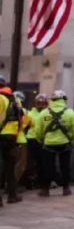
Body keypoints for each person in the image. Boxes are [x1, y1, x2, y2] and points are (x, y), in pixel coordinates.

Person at [32, 90, 74, 197]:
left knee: (47, 167)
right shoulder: (70, 113)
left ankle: (45, 189)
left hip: (48, 144)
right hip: (65, 143)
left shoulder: (44, 113)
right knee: (65, 167)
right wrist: (71, 139)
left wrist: (42, 140)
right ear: (63, 99)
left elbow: (37, 130)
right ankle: (66, 188)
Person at [0, 76, 23, 204]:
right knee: (10, 167)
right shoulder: (15, 100)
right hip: (12, 137)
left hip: (1, 135)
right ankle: (12, 195)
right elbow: (21, 120)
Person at [22, 94, 47, 189]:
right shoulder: (30, 114)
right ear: (35, 103)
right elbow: (23, 126)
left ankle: (41, 181)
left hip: (43, 140)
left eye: (43, 103)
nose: (40, 105)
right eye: (38, 103)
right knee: (31, 162)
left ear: (46, 104)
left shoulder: (48, 113)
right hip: (32, 139)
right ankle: (31, 181)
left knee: (42, 162)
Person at [13, 92, 30, 188]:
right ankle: (12, 186)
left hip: (6, 138)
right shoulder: (25, 112)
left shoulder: (5, 109)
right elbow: (29, 124)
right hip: (20, 140)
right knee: (20, 164)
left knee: (8, 164)